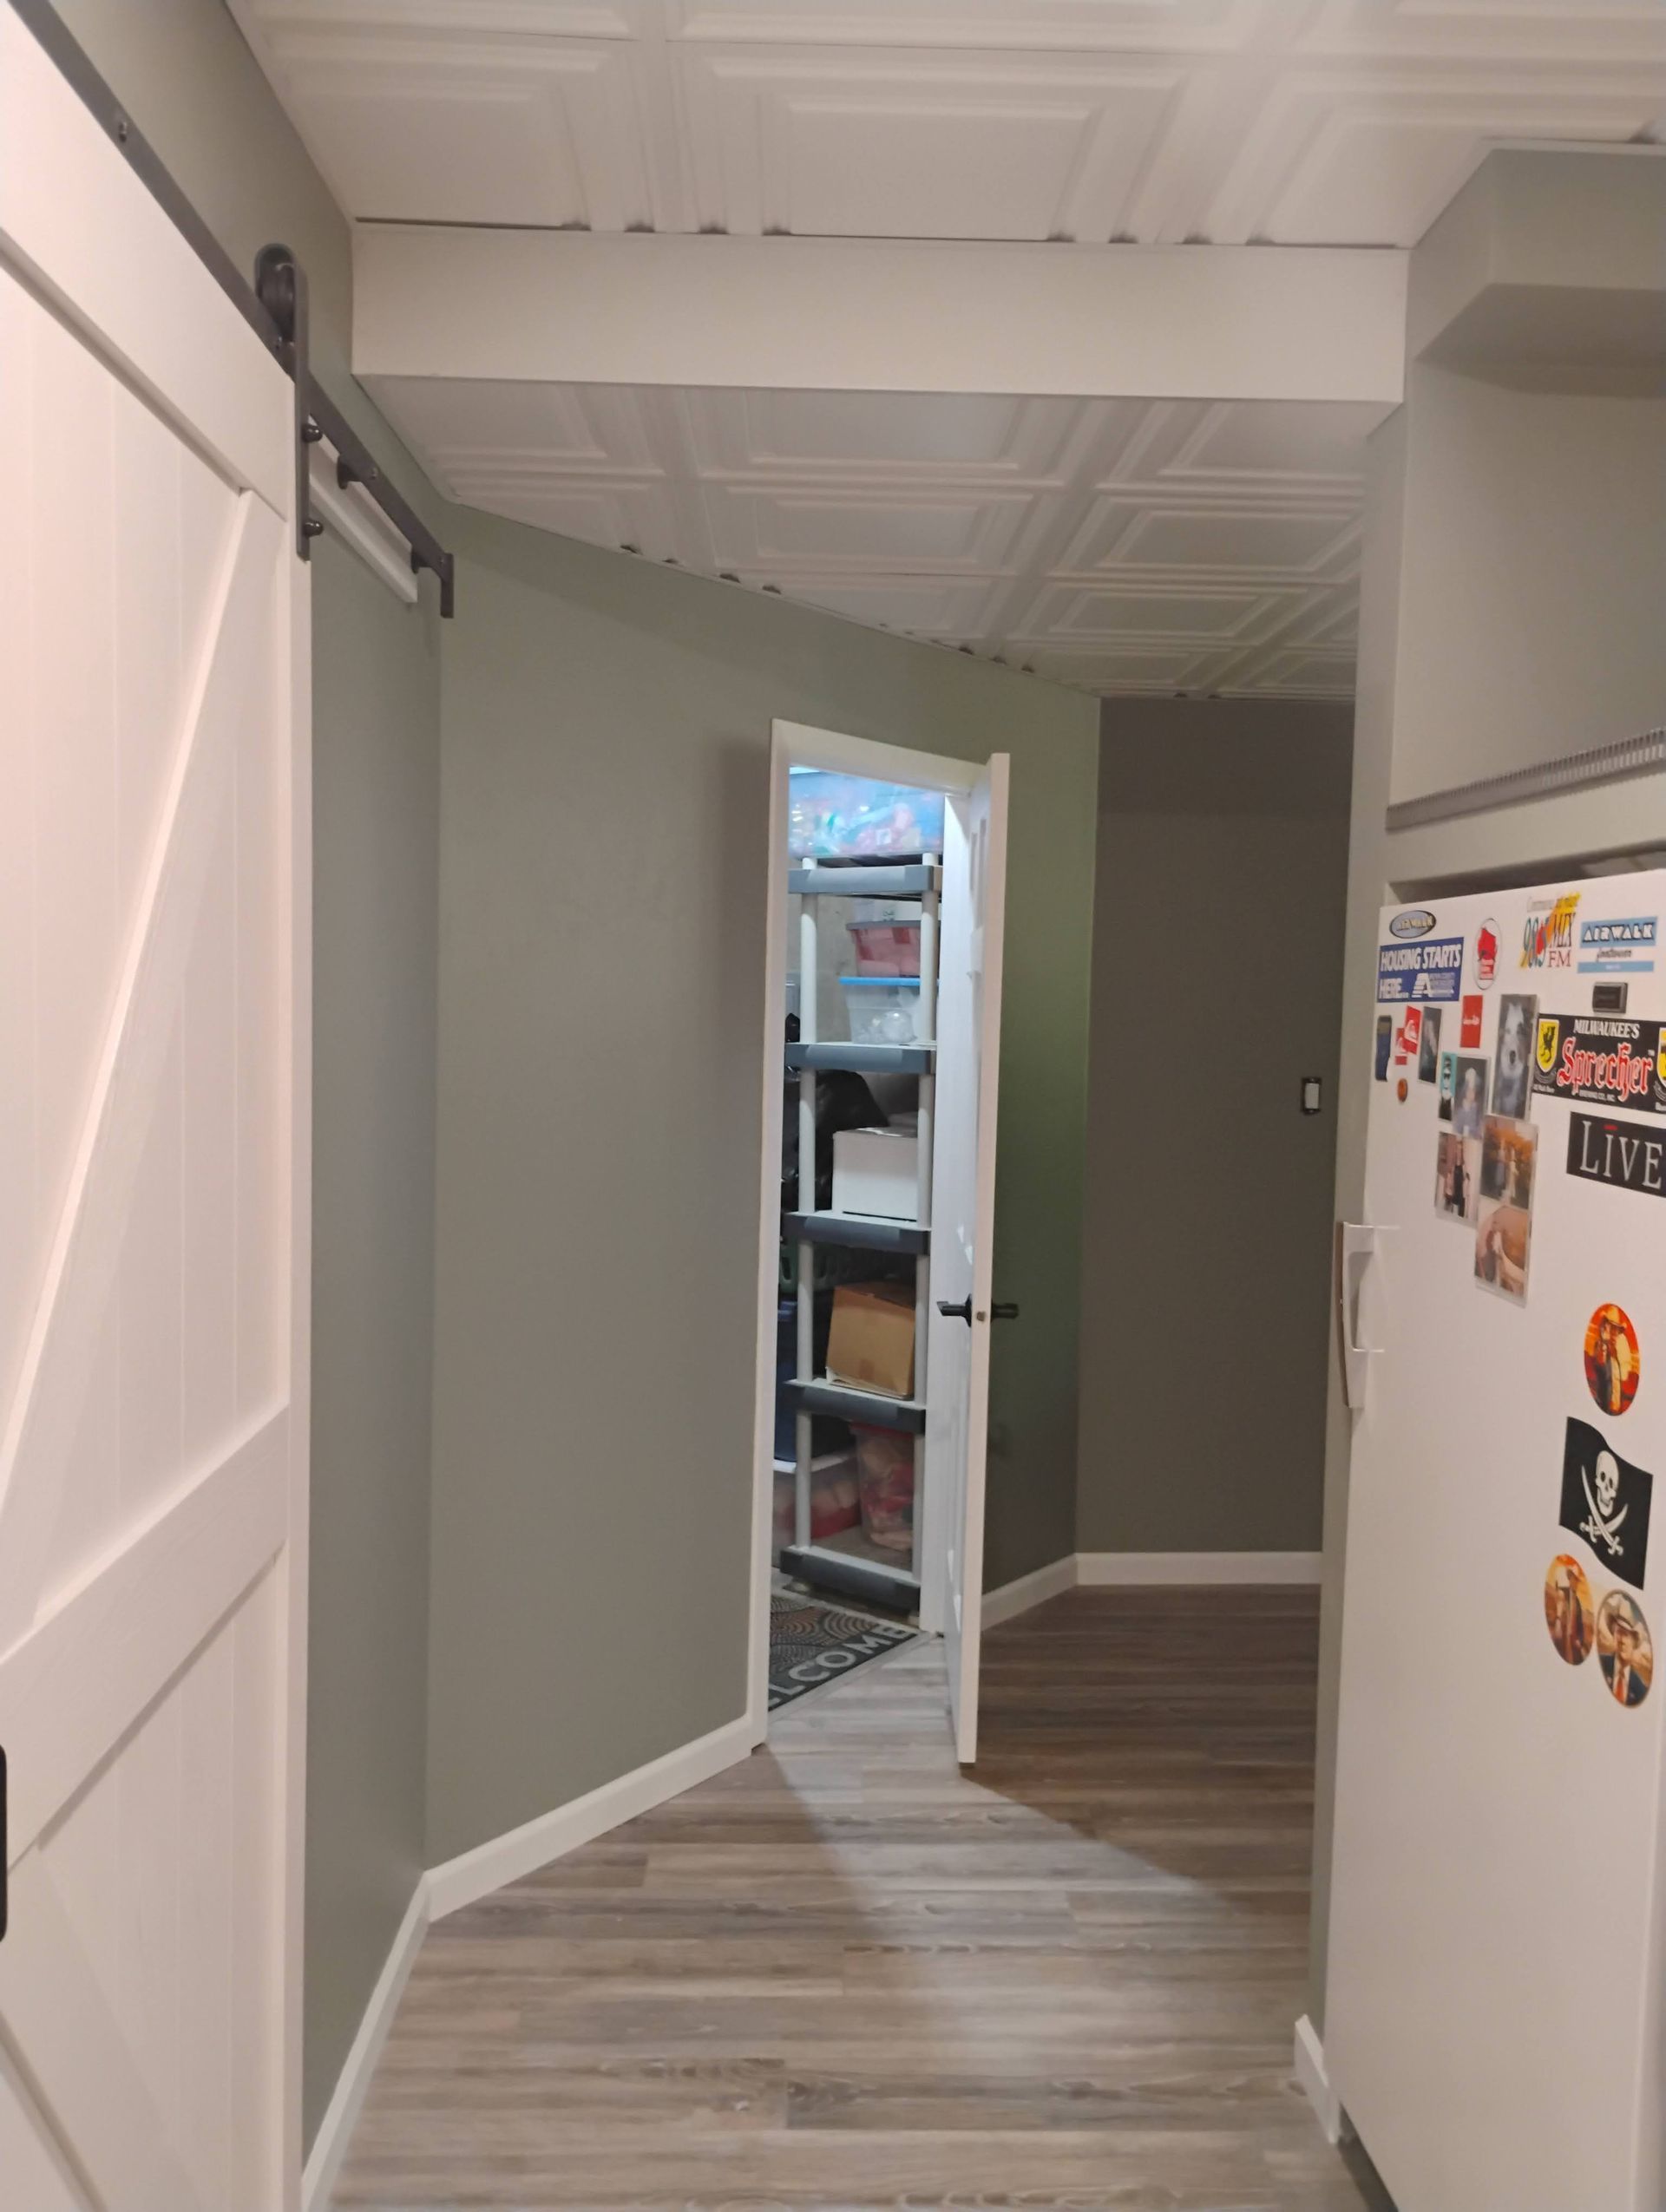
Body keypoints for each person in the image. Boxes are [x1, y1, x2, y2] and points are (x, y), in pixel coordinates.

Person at [1603, 1601, 1650, 1707]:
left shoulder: (1640, 1690)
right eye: (1619, 1632)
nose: (1622, 1640)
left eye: (1627, 1634)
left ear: (1634, 1642)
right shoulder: (1602, 1664)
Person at [1591, 1310, 1632, 1417]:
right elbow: (1600, 1365)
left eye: (1617, 1329)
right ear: (1605, 1327)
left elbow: (1623, 1377)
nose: (1614, 1333)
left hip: (1616, 1409)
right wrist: (1604, 1342)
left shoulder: (1619, 1351)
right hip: (1603, 1408)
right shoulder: (1600, 1346)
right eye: (1612, 1328)